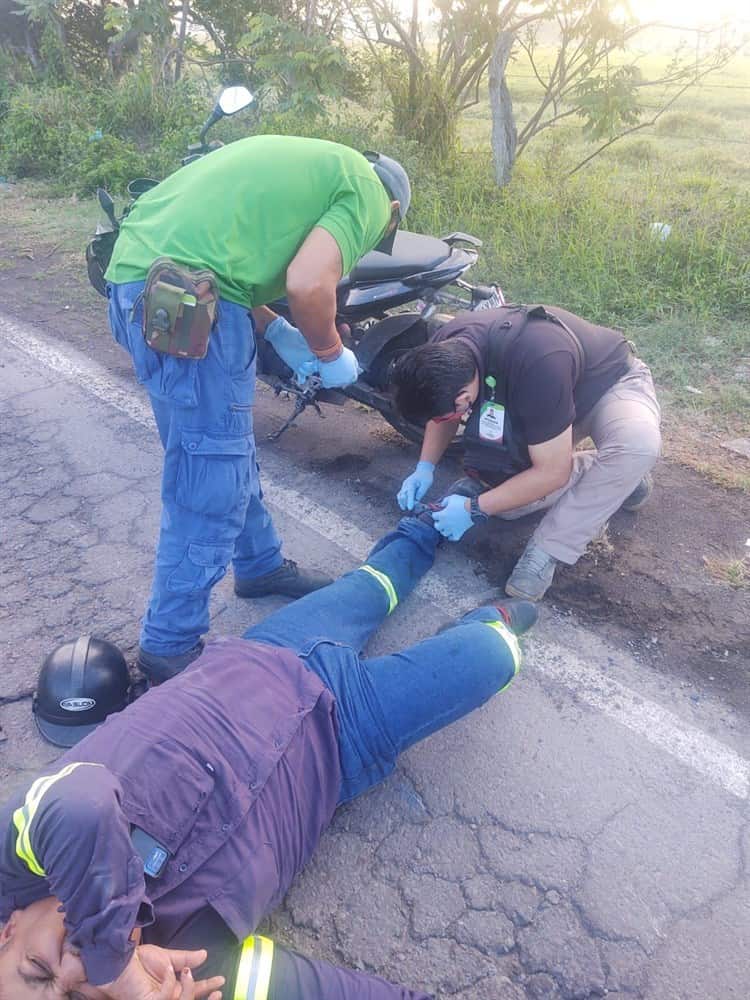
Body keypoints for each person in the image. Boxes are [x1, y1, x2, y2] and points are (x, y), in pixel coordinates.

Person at [0, 516, 536, 1000]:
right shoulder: (194, 972)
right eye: (77, 998)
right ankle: (480, 626)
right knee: (496, 653)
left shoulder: (18, 866)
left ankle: (433, 521)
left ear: (8, 931)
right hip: (342, 739)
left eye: (39, 969)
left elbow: (81, 806)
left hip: (261, 656)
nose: (76, 970)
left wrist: (113, 962)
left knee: (377, 582)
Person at [104, 137, 411, 682]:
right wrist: (328, 353)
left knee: (218, 446)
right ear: (391, 212)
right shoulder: (367, 189)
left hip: (140, 289)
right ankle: (169, 644)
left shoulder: (303, 163)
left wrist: (277, 330)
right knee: (209, 478)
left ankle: (259, 565)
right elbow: (309, 282)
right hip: (191, 304)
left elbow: (232, 260)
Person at [392, 304, 661, 601]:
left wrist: (475, 509)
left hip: (607, 387)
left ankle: (549, 548)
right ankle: (618, 479)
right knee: (507, 503)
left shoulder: (539, 361)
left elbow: (552, 472)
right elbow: (444, 413)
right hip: (540, 403)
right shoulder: (445, 349)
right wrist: (424, 467)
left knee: (637, 444)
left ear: (465, 397)